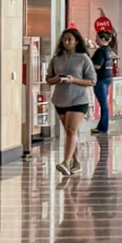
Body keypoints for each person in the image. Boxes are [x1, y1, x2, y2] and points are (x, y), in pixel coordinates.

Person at [46, 28, 96, 178]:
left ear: (76, 41)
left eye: (70, 39)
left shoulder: (83, 59)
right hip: (60, 99)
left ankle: (66, 162)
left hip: (78, 99)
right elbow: (48, 79)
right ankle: (75, 162)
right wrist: (56, 78)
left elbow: (92, 80)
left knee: (72, 130)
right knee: (68, 132)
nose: (66, 42)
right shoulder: (56, 58)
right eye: (64, 39)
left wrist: (74, 80)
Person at [91, 30, 117, 135]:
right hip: (108, 77)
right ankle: (102, 125)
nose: (95, 40)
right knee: (104, 103)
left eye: (97, 38)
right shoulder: (110, 50)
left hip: (100, 79)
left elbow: (97, 65)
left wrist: (88, 68)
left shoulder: (100, 51)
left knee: (103, 104)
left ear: (102, 39)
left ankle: (103, 126)